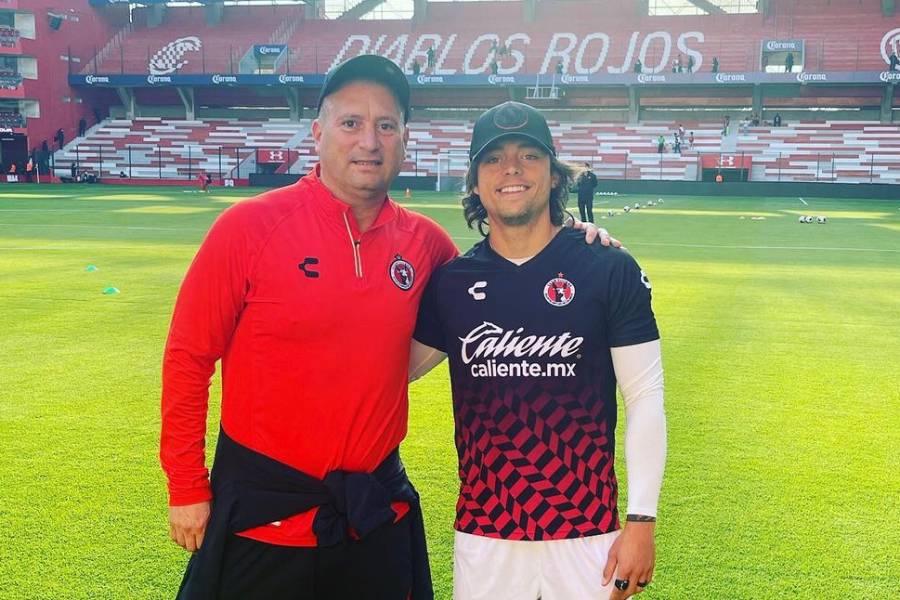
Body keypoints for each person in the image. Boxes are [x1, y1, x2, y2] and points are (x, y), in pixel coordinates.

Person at [161, 56, 617, 600]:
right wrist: (187, 484)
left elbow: (505, 277)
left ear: (405, 139)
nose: (369, 141)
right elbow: (188, 356)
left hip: (373, 515)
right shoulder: (247, 227)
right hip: (264, 514)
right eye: (351, 123)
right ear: (318, 132)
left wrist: (575, 243)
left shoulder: (425, 245)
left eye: (386, 125)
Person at [411, 101, 666, 600]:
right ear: (475, 182)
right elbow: (388, 373)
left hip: (588, 532)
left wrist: (641, 521)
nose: (511, 169)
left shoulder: (608, 268)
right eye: (493, 159)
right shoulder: (451, 283)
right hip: (485, 532)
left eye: (528, 155)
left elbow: (645, 395)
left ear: (553, 175)